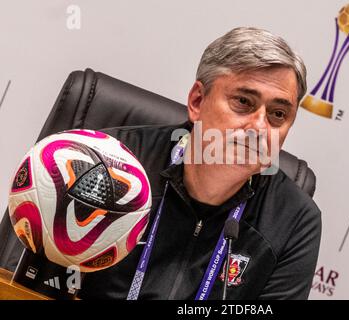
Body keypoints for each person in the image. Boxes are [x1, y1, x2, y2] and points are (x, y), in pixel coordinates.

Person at [79, 26, 321, 300]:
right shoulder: (105, 164)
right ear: (197, 101)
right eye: (243, 101)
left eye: (278, 113)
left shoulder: (294, 220)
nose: (259, 127)